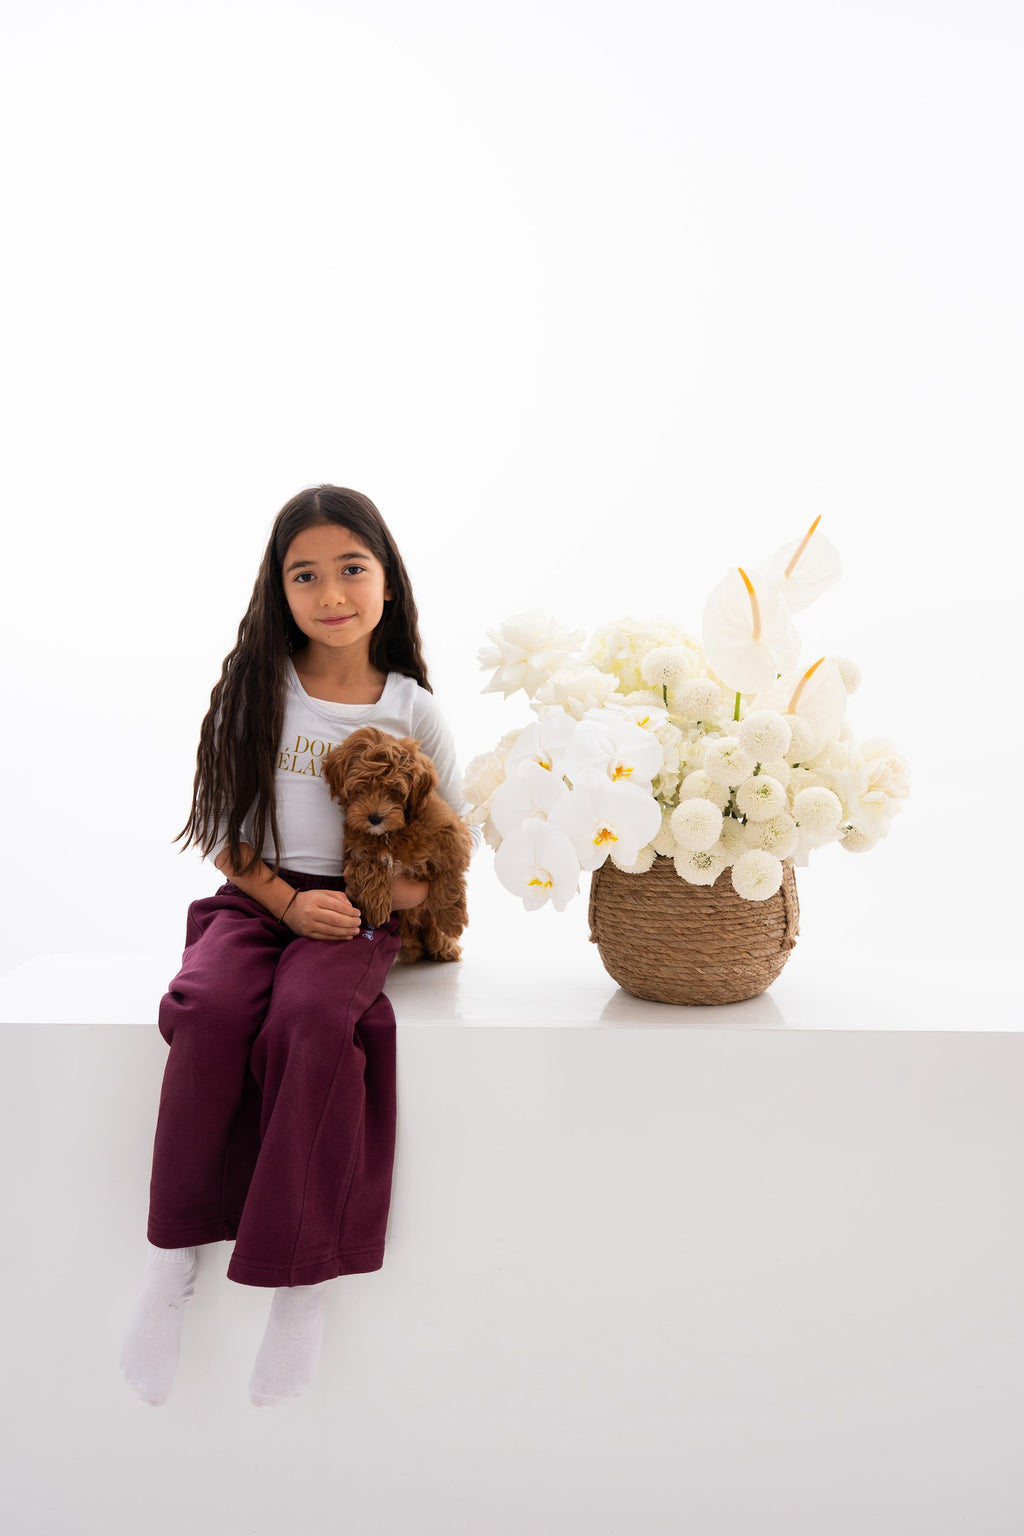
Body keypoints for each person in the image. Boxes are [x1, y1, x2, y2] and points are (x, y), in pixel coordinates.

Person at [120, 485, 479, 1408]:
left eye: (352, 569)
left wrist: (390, 899)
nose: (331, 593)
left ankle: (299, 1286)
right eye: (305, 574)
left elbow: (447, 841)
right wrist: (285, 905)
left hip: (358, 906)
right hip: (259, 896)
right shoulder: (255, 691)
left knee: (313, 1021)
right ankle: (171, 1265)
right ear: (278, 590)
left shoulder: (411, 708)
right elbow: (227, 837)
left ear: (388, 583)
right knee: (207, 1011)